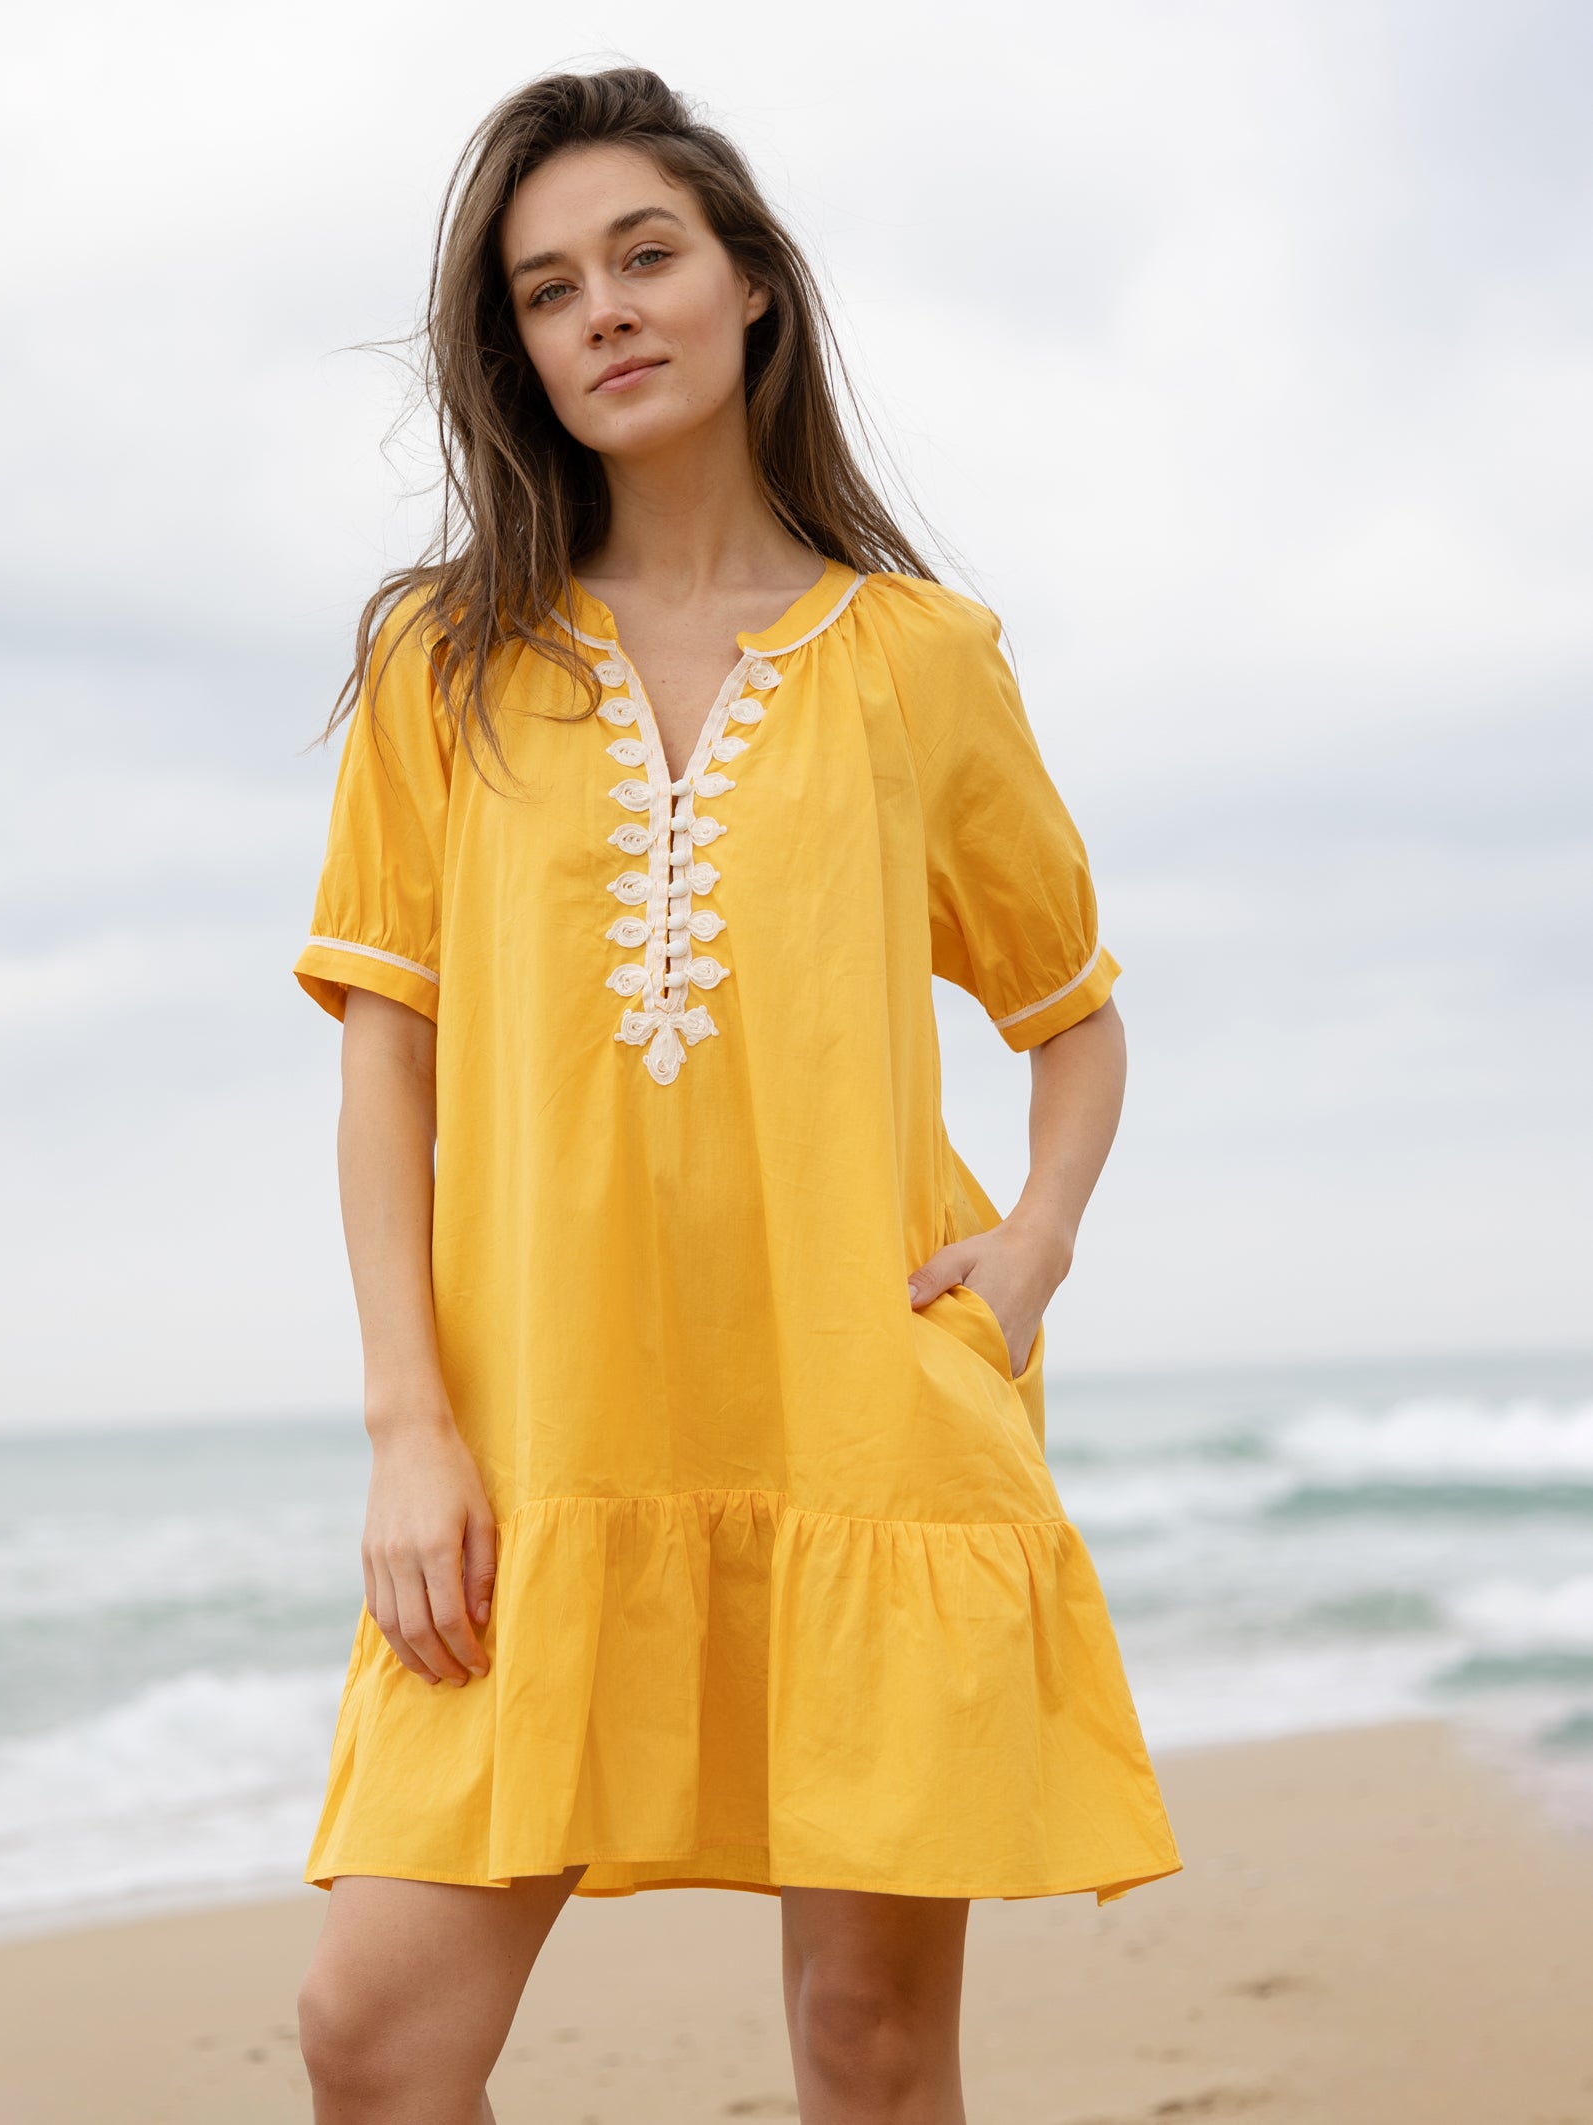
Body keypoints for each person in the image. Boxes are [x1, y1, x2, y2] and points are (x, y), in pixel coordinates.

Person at [291, 64, 1179, 2125]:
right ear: (514, 351)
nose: (601, 310)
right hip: (536, 1449)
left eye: (643, 256)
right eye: (544, 290)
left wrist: (1031, 1250)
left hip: (865, 1430)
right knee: (372, 2033)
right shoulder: (442, 662)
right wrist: (409, 1424)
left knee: (867, 2050)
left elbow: (1071, 1011)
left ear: (750, 284)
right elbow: (383, 1057)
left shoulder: (920, 659)